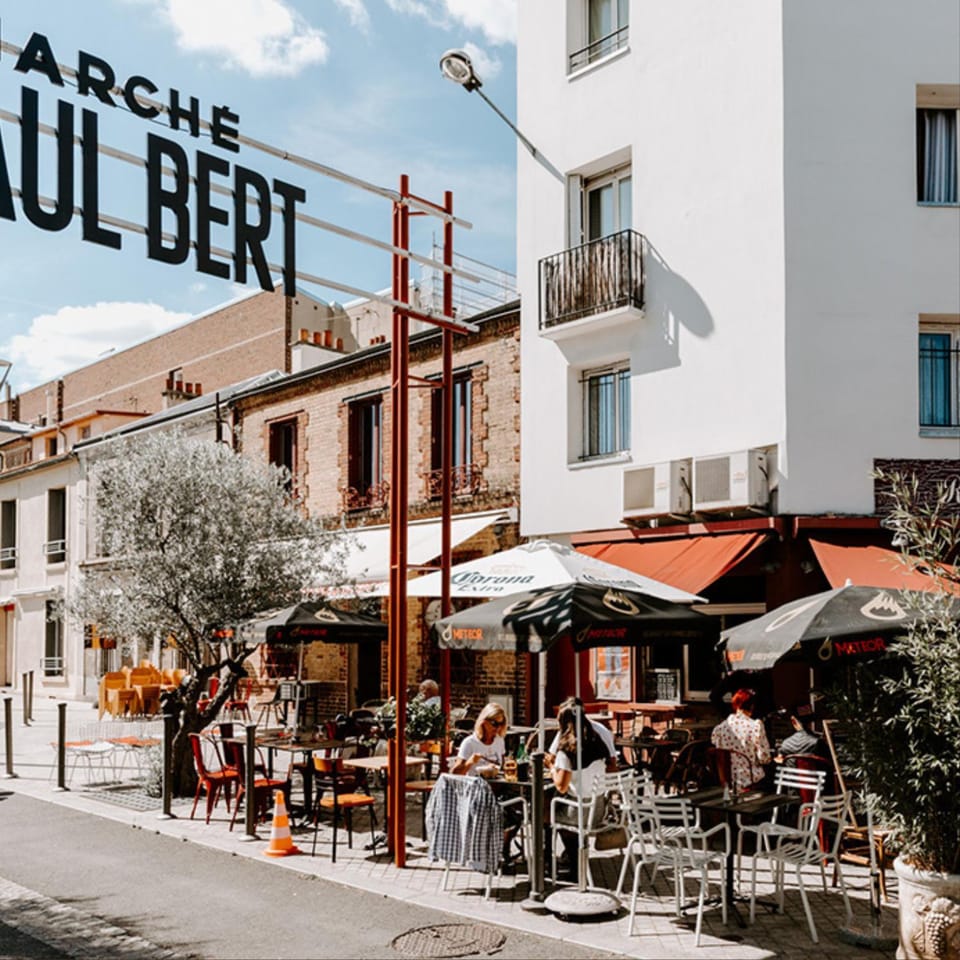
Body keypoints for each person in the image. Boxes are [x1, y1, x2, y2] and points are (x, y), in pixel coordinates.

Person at [545, 700, 611, 883]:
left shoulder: (567, 749)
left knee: (545, 816)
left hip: (578, 813)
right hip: (597, 810)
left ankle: (561, 866)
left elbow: (561, 786)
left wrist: (552, 768)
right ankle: (574, 862)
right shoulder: (597, 741)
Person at [710, 688, 771, 791]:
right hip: (750, 780)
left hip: (726, 781)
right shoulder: (755, 726)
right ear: (752, 706)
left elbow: (717, 750)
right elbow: (764, 758)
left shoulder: (719, 729)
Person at [546, 697, 618, 774]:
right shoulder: (601, 730)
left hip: (575, 782)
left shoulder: (566, 734)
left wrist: (551, 766)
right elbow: (612, 762)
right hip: (601, 782)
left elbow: (552, 759)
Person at [451, 702, 506, 776]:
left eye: (501, 724)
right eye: (494, 723)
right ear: (484, 722)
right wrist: (470, 762)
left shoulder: (499, 741)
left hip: (495, 785)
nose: (498, 728)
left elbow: (502, 767)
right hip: (474, 785)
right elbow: (454, 774)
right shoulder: (469, 743)